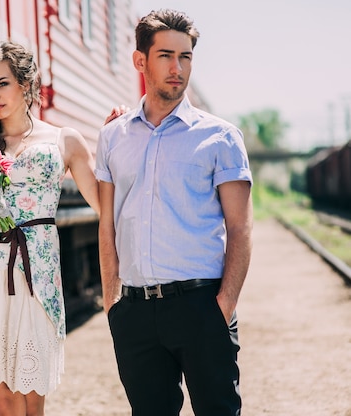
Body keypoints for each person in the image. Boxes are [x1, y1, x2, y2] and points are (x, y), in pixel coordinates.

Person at [95, 9, 253, 416]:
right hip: (135, 313)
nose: (177, 67)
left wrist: (224, 305)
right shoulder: (113, 136)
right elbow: (107, 226)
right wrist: (114, 303)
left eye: (185, 57)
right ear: (140, 61)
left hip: (201, 305)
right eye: (166, 55)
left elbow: (240, 228)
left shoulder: (220, 137)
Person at [0, 41, 99, 416]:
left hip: (36, 279)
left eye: (2, 84)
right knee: (4, 406)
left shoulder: (65, 140)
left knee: (31, 404)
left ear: (26, 85)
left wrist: (118, 135)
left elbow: (105, 203)